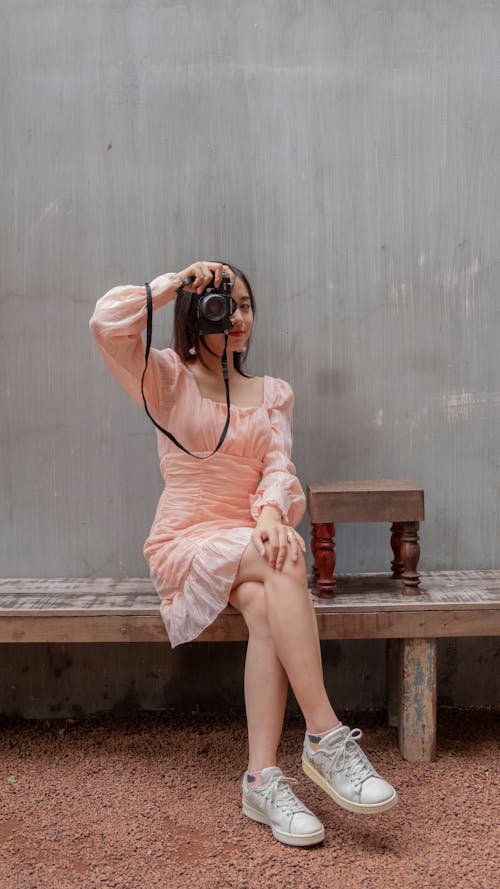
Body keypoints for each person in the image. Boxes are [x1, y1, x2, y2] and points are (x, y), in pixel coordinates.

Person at [90, 260, 397, 848]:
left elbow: (278, 468)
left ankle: (262, 779)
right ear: (194, 315)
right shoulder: (163, 377)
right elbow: (106, 323)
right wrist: (173, 283)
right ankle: (325, 736)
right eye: (224, 306)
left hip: (250, 534)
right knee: (284, 559)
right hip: (186, 537)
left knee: (263, 603)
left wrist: (272, 512)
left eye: (246, 305)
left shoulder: (273, 393)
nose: (237, 317)